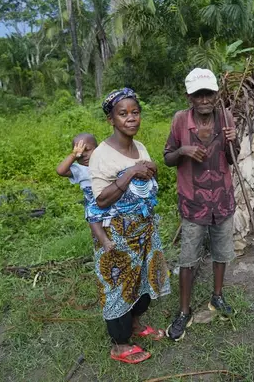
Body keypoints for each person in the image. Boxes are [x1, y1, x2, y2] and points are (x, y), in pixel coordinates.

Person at [88, 88, 171, 364]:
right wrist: (133, 172)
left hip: (143, 231)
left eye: (135, 112)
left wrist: (150, 169)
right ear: (111, 119)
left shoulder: (140, 146)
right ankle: (120, 345)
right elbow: (101, 200)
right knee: (118, 289)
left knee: (142, 285)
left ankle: (136, 325)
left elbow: (146, 175)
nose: (131, 118)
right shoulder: (102, 154)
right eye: (123, 114)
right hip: (117, 235)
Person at [163, 68, 240, 341]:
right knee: (188, 258)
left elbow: (233, 159)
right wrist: (183, 151)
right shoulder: (180, 121)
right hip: (193, 202)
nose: (204, 99)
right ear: (189, 97)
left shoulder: (226, 118)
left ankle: (217, 297)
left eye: (209, 93)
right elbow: (167, 158)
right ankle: (184, 311)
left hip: (222, 199)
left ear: (216, 94)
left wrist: (234, 140)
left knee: (221, 253)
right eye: (198, 94)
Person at [56, 133, 115, 252]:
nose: (84, 155)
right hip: (93, 203)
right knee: (93, 220)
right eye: (80, 153)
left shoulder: (105, 162)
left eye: (87, 150)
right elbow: (60, 171)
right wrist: (74, 155)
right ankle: (105, 242)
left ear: (98, 148)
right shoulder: (79, 169)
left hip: (109, 198)